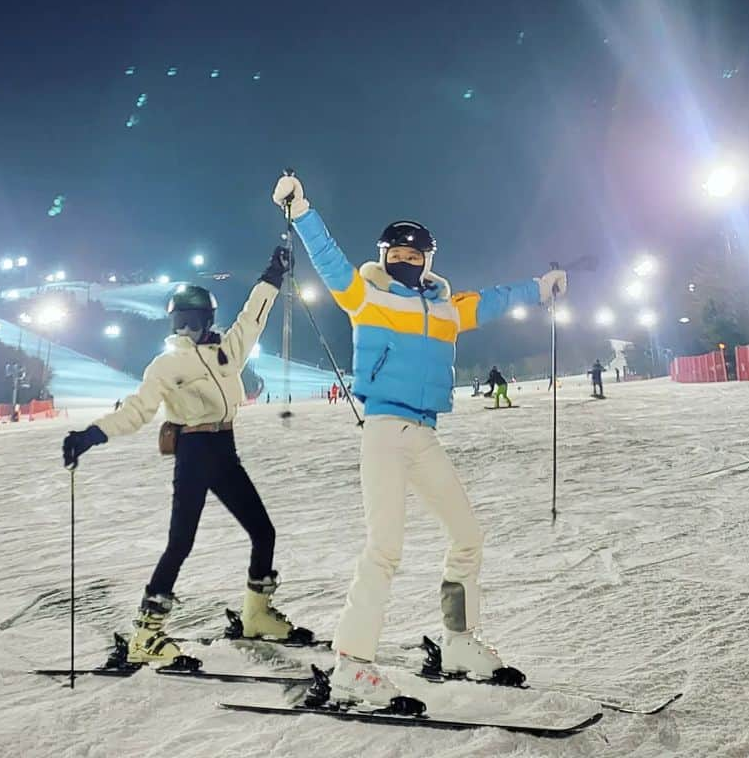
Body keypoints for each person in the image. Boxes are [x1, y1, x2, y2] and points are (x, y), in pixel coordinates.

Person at [272, 173, 567, 703]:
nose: (406, 258)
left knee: (467, 535)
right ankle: (352, 665)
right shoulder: (366, 296)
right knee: (384, 548)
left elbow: (494, 301)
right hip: (384, 431)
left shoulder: (447, 308)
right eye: (396, 251)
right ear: (384, 255)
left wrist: (539, 287)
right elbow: (331, 260)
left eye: (415, 252)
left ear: (429, 259)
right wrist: (302, 210)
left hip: (424, 434)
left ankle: (458, 641)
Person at [61, 246, 303, 666]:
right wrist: (90, 435)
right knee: (180, 543)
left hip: (224, 450)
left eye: (192, 320)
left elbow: (254, 316)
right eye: (179, 321)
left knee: (264, 531)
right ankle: (146, 633)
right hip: (193, 452)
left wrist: (273, 275)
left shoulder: (227, 351)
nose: (186, 327)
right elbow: (137, 410)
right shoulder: (166, 364)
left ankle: (256, 615)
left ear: (207, 320)